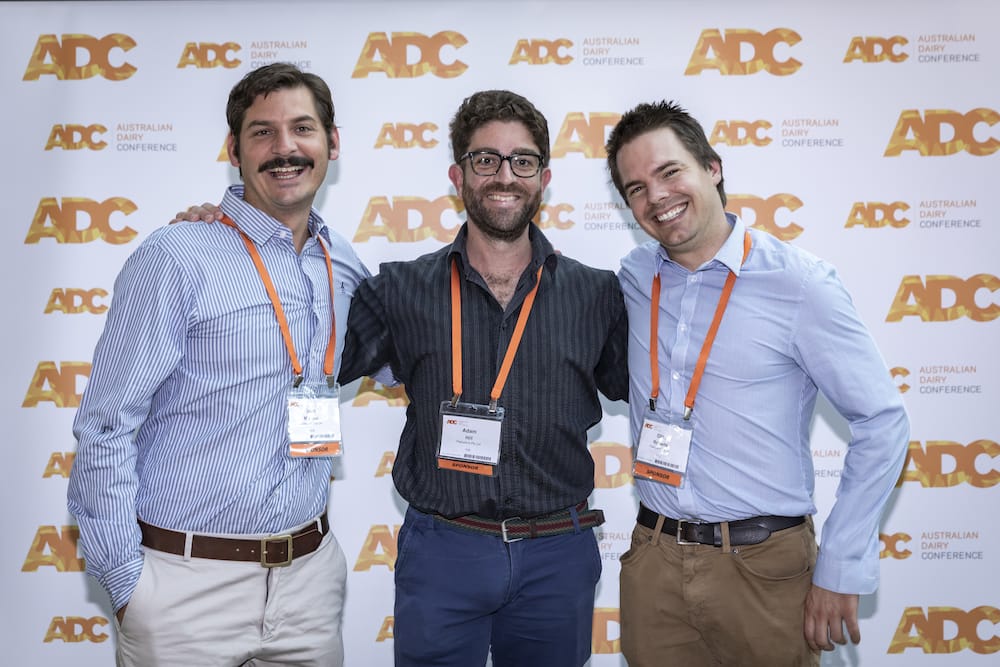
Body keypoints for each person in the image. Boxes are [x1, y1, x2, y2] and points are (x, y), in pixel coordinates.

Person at [67, 63, 369, 666]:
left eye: (302, 128)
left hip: (308, 584)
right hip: (183, 588)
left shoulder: (341, 264)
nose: (284, 149)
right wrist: (128, 586)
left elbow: (396, 360)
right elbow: (105, 423)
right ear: (233, 150)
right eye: (262, 132)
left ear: (332, 143)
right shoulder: (177, 256)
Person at [605, 100, 909, 666]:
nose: (657, 197)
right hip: (653, 562)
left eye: (670, 172)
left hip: (764, 567)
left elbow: (883, 420)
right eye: (636, 188)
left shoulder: (800, 284)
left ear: (712, 167)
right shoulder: (632, 278)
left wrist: (840, 564)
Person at [335, 90, 629, 667]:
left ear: (544, 177)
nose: (504, 175)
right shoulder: (399, 289)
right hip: (445, 549)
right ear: (458, 174)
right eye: (485, 159)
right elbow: (306, 357)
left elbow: (647, 385)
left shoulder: (597, 294)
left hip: (557, 554)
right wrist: (230, 239)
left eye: (522, 161)